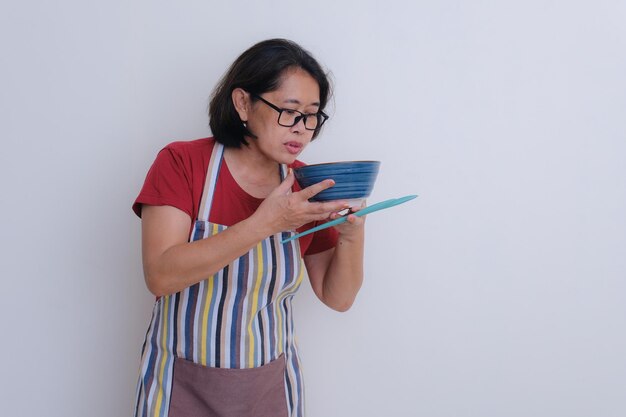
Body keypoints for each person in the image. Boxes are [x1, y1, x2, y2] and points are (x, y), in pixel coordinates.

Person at [132, 38, 365, 417]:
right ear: (243, 102)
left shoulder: (307, 185)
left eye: (312, 115)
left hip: (269, 391)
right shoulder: (182, 163)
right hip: (181, 387)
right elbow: (160, 275)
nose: (302, 129)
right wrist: (265, 223)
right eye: (289, 112)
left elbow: (338, 297)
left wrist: (353, 234)